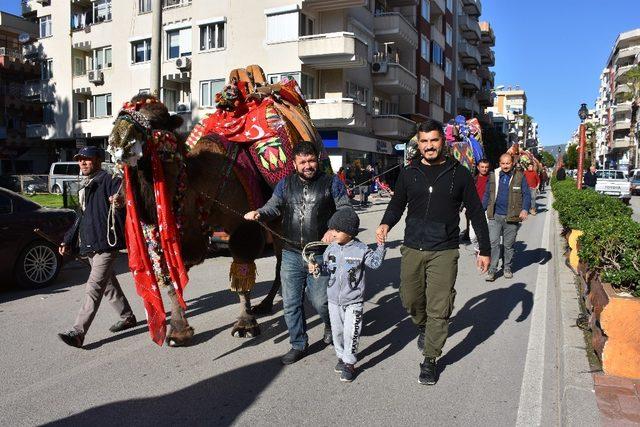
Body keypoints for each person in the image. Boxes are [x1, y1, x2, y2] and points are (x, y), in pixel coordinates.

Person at [376, 119, 491, 386]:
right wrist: (385, 223)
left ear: (443, 141)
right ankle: (423, 326)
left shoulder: (459, 173)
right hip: (413, 246)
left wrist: (483, 249)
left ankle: (430, 358)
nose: (429, 146)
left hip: (444, 249)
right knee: (410, 299)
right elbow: (396, 204)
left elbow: (475, 212)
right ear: (418, 143)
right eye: (424, 141)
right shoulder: (409, 172)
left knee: (439, 306)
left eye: (434, 140)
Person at [244, 141, 353, 365]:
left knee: (321, 301)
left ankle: (331, 325)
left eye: (311, 160)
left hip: (321, 254)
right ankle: (298, 344)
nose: (307, 165)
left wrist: (334, 228)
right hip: (292, 254)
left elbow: (345, 209)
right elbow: (273, 206)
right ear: (294, 164)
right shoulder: (284, 184)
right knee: (291, 302)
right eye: (302, 162)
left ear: (318, 160)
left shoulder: (332, 183)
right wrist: (259, 213)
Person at [58, 146, 136, 348]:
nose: (82, 162)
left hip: (105, 245)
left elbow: (124, 198)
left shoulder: (110, 181)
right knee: (108, 284)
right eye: (79, 159)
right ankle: (127, 317)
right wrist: (68, 240)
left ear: (99, 160)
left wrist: (119, 201)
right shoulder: (86, 186)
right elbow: (80, 218)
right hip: (90, 245)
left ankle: (78, 332)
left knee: (93, 288)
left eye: (87, 159)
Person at [318, 209, 386, 382]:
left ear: (349, 233)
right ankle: (341, 356)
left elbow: (375, 263)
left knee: (351, 332)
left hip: (354, 301)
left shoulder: (361, 249)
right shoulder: (330, 249)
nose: (332, 233)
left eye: (337, 231)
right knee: (338, 333)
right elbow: (327, 269)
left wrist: (381, 246)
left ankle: (349, 362)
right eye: (331, 229)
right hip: (333, 301)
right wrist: (316, 269)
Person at [482, 153, 531, 282]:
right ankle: (492, 270)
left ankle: (507, 267)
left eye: (507, 163)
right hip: (495, 215)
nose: (505, 166)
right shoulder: (494, 175)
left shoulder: (520, 176)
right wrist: (480, 210)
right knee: (494, 244)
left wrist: (525, 209)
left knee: (508, 246)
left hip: (512, 217)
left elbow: (526, 194)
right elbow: (487, 194)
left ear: (512, 163)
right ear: (499, 163)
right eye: (503, 163)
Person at [469, 158, 493, 251]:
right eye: (482, 167)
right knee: (473, 236)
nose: (484, 169)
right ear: (478, 168)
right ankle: (477, 249)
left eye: (486, 167)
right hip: (474, 209)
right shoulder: (473, 179)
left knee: (485, 233)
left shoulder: (492, 179)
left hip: (487, 209)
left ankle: (484, 253)